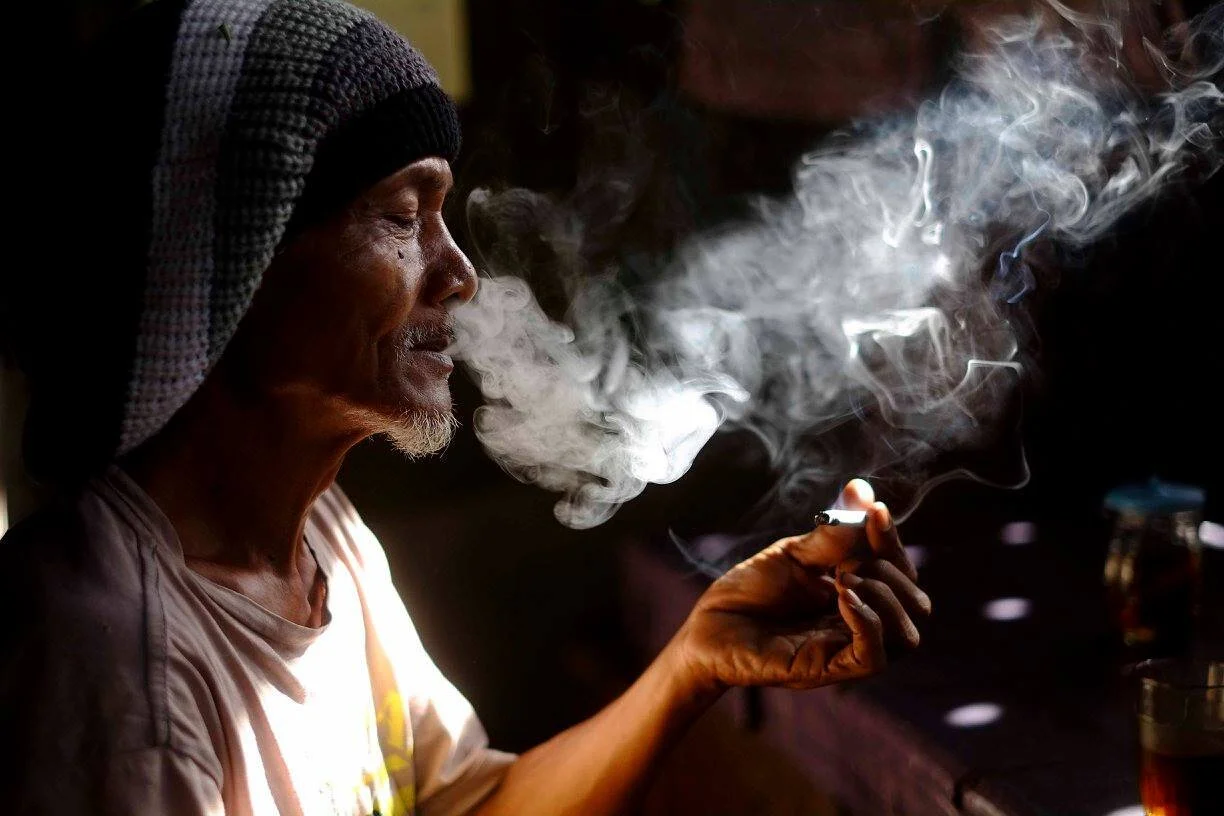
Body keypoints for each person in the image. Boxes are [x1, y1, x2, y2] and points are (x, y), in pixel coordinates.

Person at [0, 0, 929, 813]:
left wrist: (697, 659)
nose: (459, 274)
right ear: (234, 263)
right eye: (403, 218)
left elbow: (462, 802)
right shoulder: (117, 666)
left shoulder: (321, 537)